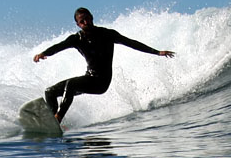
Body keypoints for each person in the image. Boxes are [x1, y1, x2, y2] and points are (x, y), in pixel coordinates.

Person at [33, 7, 175, 125]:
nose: (86, 22)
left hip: (101, 82)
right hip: (89, 78)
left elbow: (131, 43)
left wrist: (157, 52)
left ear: (92, 17)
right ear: (78, 24)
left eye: (87, 18)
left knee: (71, 84)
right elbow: (59, 46)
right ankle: (53, 123)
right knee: (49, 91)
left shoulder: (107, 34)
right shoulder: (77, 39)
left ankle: (58, 119)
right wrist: (44, 53)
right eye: (82, 21)